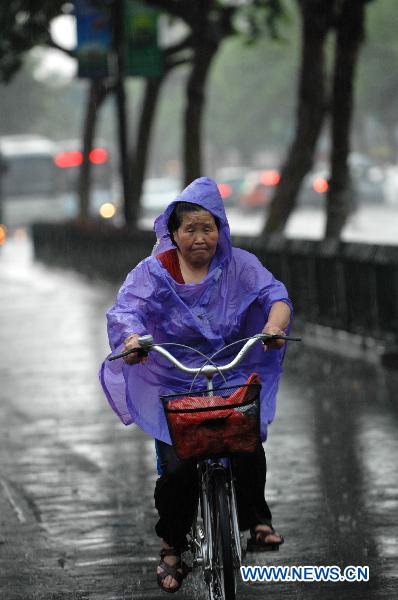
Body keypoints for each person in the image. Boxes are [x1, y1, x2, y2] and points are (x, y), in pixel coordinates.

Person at [100, 177, 292, 593]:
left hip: (230, 372)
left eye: (208, 227)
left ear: (220, 229)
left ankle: (257, 521)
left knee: (247, 446)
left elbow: (275, 295)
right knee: (177, 469)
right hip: (173, 378)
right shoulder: (153, 272)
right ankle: (171, 547)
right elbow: (126, 310)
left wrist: (274, 326)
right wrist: (132, 340)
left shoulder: (240, 265)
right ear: (173, 233)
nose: (200, 238)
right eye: (190, 228)